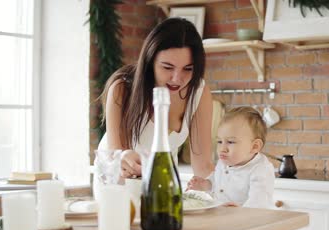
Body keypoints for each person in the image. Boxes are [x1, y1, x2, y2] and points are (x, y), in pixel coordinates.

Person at [97, 17, 214, 179]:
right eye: (167, 67)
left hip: (161, 179)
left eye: (188, 69)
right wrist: (123, 157)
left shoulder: (198, 92)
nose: (177, 78)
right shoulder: (122, 89)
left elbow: (203, 165)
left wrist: (223, 192)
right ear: (150, 61)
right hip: (117, 179)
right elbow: (117, 155)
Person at [187, 106, 275, 209]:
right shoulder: (224, 162)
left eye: (230, 142)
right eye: (219, 141)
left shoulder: (260, 170)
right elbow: (218, 181)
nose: (222, 149)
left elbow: (259, 202)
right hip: (222, 217)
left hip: (248, 221)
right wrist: (206, 184)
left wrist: (240, 211)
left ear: (254, 146)